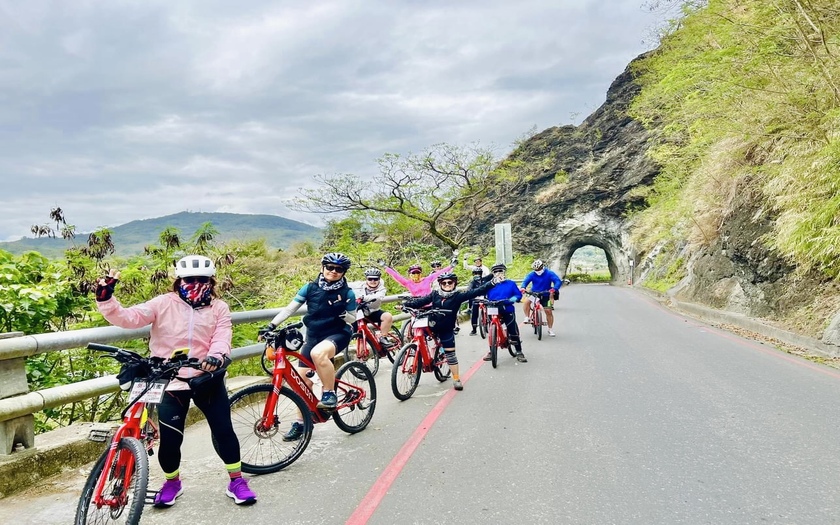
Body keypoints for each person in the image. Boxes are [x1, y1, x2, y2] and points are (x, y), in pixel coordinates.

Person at [95, 255, 257, 508]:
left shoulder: (219, 307)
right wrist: (106, 298)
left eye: (202, 280)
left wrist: (215, 356)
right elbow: (129, 318)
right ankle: (172, 482)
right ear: (178, 280)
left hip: (206, 377)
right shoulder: (163, 303)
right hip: (169, 381)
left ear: (211, 281)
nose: (195, 284)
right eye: (189, 279)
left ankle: (236, 481)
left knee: (224, 430)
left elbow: (222, 335)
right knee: (171, 439)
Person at [262, 252, 357, 441]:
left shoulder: (347, 293)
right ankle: (301, 422)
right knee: (301, 380)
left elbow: (353, 318)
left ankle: (329, 394)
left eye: (339, 269)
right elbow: (290, 309)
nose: (333, 271)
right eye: (330, 267)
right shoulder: (310, 288)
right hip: (314, 334)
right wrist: (271, 326)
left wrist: (344, 316)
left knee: (318, 354)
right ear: (322, 268)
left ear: (343, 272)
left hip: (338, 333)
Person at [400, 271, 498, 390]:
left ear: (454, 283)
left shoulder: (458, 296)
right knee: (417, 337)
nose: (447, 284)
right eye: (444, 282)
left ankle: (456, 378)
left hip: (446, 328)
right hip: (432, 325)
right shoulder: (435, 294)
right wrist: (406, 305)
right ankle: (418, 359)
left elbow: (477, 291)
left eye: (450, 282)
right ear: (440, 284)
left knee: (450, 355)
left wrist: (492, 283)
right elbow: (421, 301)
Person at [483, 263, 527, 362]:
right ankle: (492, 350)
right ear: (493, 274)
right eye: (496, 272)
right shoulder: (490, 284)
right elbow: (481, 292)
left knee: (512, 329)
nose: (498, 274)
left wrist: (511, 300)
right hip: (492, 308)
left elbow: (518, 295)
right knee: (491, 329)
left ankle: (519, 351)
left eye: (501, 271)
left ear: (504, 272)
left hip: (507, 308)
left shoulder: (510, 283)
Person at [349, 267, 396, 349]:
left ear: (379, 279)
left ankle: (383, 338)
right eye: (370, 279)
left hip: (373, 311)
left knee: (387, 316)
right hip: (360, 311)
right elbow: (345, 284)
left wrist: (363, 297)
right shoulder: (358, 285)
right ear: (366, 279)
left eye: (375, 279)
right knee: (357, 333)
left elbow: (378, 297)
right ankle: (361, 354)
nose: (373, 281)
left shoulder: (381, 288)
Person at [520, 259, 563, 337]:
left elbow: (558, 281)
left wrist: (554, 289)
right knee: (526, 302)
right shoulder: (532, 274)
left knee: (548, 311)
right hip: (534, 293)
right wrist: (523, 287)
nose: (537, 271)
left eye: (539, 269)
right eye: (535, 269)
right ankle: (527, 317)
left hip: (546, 295)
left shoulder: (549, 273)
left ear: (542, 266)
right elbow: (525, 281)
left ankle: (550, 329)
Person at [381, 253, 457, 297]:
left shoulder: (427, 279)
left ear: (420, 273)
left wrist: (451, 266)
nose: (416, 274)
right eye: (413, 273)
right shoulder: (408, 283)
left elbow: (439, 272)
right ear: (409, 274)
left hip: (430, 304)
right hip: (417, 306)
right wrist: (385, 267)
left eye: (417, 273)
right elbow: (396, 276)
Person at [467, 266, 492, 335]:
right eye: (475, 273)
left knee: (491, 310)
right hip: (476, 299)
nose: (477, 275)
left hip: (486, 298)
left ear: (481, 274)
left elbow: (492, 275)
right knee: (474, 313)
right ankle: (474, 329)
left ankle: (492, 326)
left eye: (478, 273)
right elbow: (469, 289)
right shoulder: (472, 282)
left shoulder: (485, 279)